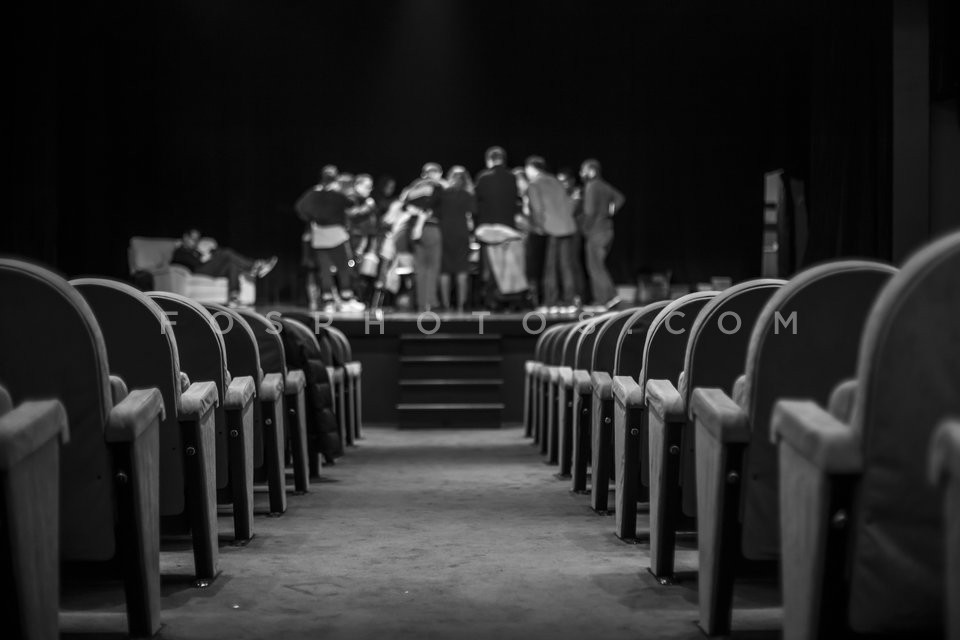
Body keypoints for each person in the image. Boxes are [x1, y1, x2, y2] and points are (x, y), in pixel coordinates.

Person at [295, 171, 364, 312]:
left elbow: (299, 207)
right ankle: (346, 300)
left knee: (325, 270)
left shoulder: (313, 193)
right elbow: (350, 204)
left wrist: (311, 218)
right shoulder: (336, 194)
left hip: (319, 235)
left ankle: (328, 302)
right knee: (344, 268)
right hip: (336, 234)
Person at [170, 229, 276, 307]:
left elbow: (204, 257)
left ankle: (234, 297)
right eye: (193, 239)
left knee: (232, 265)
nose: (195, 242)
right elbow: (181, 262)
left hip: (209, 268)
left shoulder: (195, 250)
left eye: (197, 239)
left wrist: (208, 255)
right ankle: (255, 266)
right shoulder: (180, 250)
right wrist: (202, 259)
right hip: (199, 269)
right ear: (185, 237)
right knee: (227, 253)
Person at [525, 156, 577, 312]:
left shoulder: (534, 184)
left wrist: (539, 227)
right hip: (567, 226)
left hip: (551, 229)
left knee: (550, 267)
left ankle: (551, 303)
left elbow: (537, 209)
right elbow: (568, 203)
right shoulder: (555, 181)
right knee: (566, 266)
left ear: (531, 168)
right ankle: (569, 302)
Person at [580, 159, 626, 308]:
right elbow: (620, 198)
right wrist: (609, 211)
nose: (581, 173)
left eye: (583, 170)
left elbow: (590, 212)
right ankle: (607, 299)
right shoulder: (604, 185)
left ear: (592, 171)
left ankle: (606, 299)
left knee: (595, 267)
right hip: (607, 231)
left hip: (596, 231)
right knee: (599, 266)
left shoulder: (592, 186)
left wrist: (584, 228)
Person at [400, 163, 444, 311]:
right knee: (433, 267)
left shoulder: (413, 187)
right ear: (438, 173)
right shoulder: (437, 186)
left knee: (420, 268)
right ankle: (431, 302)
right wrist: (421, 219)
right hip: (431, 228)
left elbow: (404, 205)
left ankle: (420, 303)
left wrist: (415, 215)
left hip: (414, 231)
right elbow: (429, 207)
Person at [437, 166, 475, 312]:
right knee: (462, 269)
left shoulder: (443, 194)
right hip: (461, 234)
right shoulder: (467, 195)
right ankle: (461, 305)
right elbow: (472, 213)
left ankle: (446, 305)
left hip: (445, 233)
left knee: (445, 270)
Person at [557, 168, 590, 306]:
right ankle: (574, 296)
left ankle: (575, 297)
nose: (562, 185)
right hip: (566, 232)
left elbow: (570, 212)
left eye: (564, 181)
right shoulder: (565, 195)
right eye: (559, 182)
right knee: (568, 264)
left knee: (571, 264)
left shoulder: (577, 194)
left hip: (574, 233)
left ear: (571, 181)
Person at [474, 146, 518, 229]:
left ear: (489, 160)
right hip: (508, 225)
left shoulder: (483, 177)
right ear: (503, 160)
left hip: (488, 226)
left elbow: (475, 201)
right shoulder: (512, 177)